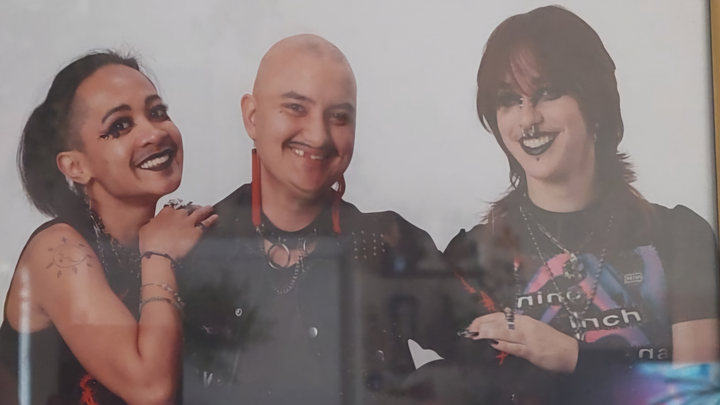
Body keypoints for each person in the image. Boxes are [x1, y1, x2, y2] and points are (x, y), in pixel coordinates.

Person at [442, 5, 719, 405]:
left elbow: (699, 395)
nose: (527, 119)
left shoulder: (680, 237)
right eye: (508, 100)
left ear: (595, 102)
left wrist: (573, 356)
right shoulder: (470, 258)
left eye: (547, 93)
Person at [179, 34, 447, 405]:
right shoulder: (197, 242)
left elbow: (490, 357)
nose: (319, 135)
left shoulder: (388, 244)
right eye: (296, 107)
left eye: (339, 117)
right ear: (252, 117)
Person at [0, 52, 217, 405]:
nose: (153, 132)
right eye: (120, 126)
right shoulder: (56, 250)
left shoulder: (170, 236)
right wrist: (159, 255)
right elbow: (150, 389)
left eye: (157, 112)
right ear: (76, 166)